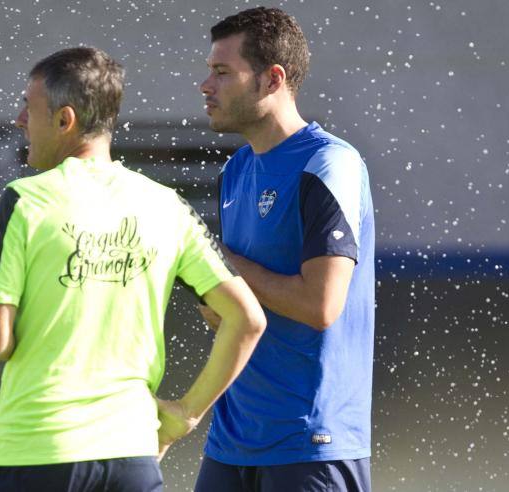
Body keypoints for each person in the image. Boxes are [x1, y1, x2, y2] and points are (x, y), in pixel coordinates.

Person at [0, 46, 266, 492]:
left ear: (64, 120)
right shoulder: (166, 204)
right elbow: (247, 318)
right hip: (132, 458)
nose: (18, 121)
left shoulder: (25, 199)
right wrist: (185, 415)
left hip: (35, 454)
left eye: (28, 108)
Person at [195, 7, 375, 492]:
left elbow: (320, 306)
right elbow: (234, 306)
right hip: (231, 439)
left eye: (221, 72)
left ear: (272, 79)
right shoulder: (234, 170)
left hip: (311, 439)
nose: (205, 86)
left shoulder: (329, 163)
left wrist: (220, 266)